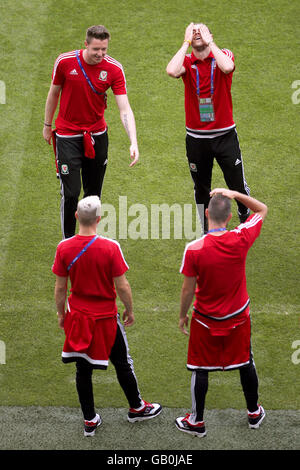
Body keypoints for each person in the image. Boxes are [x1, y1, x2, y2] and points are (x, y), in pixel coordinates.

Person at [52, 196, 162, 436]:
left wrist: (61, 314)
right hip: (106, 319)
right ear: (99, 219)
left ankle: (90, 419)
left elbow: (60, 288)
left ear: (76, 217)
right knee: (122, 362)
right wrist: (129, 310)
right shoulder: (110, 247)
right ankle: (136, 408)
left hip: (78, 318)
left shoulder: (64, 248)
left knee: (83, 369)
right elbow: (122, 286)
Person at [175, 188, 267, 437]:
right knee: (246, 361)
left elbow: (187, 289)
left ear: (206, 214)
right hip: (238, 317)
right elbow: (261, 209)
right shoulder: (241, 236)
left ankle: (197, 421)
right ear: (228, 218)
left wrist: (183, 316)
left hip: (205, 320)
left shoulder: (194, 248)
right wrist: (235, 194)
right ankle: (253, 412)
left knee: (200, 368)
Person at [44, 25, 139, 239]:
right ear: (86, 44)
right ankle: (67, 242)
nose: (100, 54)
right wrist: (47, 125)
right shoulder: (65, 62)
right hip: (67, 135)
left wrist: (133, 141)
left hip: (97, 136)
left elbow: (125, 108)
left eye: (104, 49)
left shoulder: (114, 68)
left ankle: (89, 238)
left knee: (94, 195)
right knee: (70, 194)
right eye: (96, 49)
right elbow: (53, 94)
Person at [166, 23, 250, 233]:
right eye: (193, 32)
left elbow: (227, 67)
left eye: (201, 31)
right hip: (197, 138)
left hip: (224, 135)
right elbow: (171, 70)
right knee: (201, 188)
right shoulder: (186, 61)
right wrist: (185, 42)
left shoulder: (223, 55)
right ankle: (206, 231)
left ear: (210, 35)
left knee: (236, 184)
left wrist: (210, 42)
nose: (197, 34)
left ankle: (244, 213)